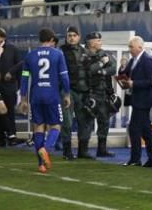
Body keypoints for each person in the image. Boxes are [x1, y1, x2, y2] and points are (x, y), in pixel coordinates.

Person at [18, 28, 71, 174]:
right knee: (56, 126)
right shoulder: (58, 54)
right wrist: (67, 94)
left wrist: (23, 100)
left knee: (38, 128)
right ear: (52, 40)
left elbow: (24, 79)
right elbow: (64, 77)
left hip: (35, 96)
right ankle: (45, 149)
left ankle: (41, 165)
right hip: (52, 95)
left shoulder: (30, 56)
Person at [119, 35, 152, 167]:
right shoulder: (133, 60)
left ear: (140, 47)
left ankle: (136, 159)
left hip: (144, 100)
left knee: (135, 129)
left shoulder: (147, 61)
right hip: (137, 99)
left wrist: (134, 83)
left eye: (131, 47)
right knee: (145, 130)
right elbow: (126, 74)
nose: (129, 49)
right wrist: (122, 70)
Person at [78, 32, 116, 159]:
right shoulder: (83, 55)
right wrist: (100, 66)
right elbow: (88, 71)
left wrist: (101, 71)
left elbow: (113, 68)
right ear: (92, 42)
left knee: (104, 121)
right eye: (98, 40)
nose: (100, 42)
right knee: (87, 122)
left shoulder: (103, 54)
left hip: (103, 92)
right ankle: (83, 150)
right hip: (89, 93)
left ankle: (102, 149)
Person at [59, 26, 88, 159]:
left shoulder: (84, 51)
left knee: (84, 121)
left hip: (83, 91)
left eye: (74, 35)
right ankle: (67, 151)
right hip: (68, 91)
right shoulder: (61, 51)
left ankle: (83, 151)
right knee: (67, 122)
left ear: (79, 37)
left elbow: (89, 72)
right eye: (69, 35)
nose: (71, 38)